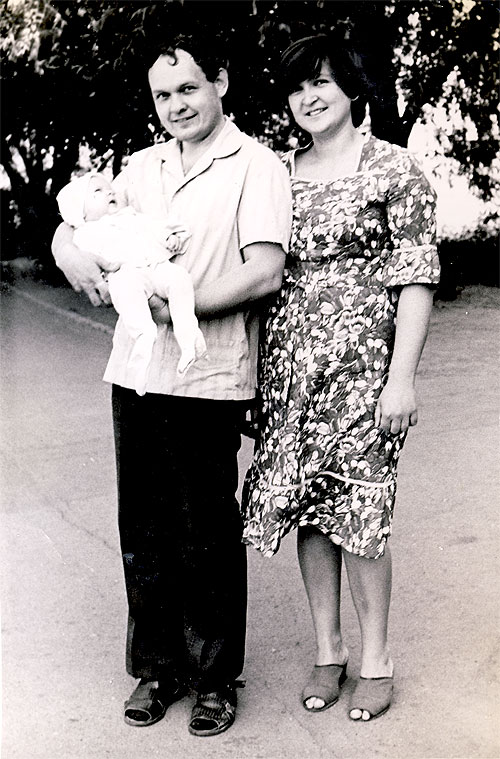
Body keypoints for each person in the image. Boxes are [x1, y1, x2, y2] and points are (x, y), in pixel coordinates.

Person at [52, 33, 292, 736]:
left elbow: (264, 271)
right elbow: (76, 224)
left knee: (205, 530)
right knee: (143, 526)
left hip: (208, 371)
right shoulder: (141, 166)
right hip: (135, 371)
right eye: (163, 95)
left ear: (220, 82)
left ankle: (214, 677)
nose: (176, 105)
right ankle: (157, 668)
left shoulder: (256, 165)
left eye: (188, 88)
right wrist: (70, 256)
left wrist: (175, 308)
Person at [242, 33, 440, 722]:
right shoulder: (277, 175)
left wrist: (402, 378)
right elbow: (261, 274)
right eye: (297, 87)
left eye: (322, 82)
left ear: (352, 88)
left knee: (361, 514)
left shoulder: (394, 168)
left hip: (365, 372)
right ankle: (328, 651)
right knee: (311, 508)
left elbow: (416, 277)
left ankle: (376, 658)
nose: (309, 97)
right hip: (292, 373)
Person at [56, 171, 206, 395]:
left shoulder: (130, 216)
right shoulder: (84, 233)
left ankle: (188, 339)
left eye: (110, 189)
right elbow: (86, 261)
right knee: (128, 292)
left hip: (154, 265)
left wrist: (169, 238)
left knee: (180, 278)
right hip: (124, 273)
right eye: (98, 191)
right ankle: (143, 341)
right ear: (80, 211)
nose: (109, 192)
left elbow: (153, 228)